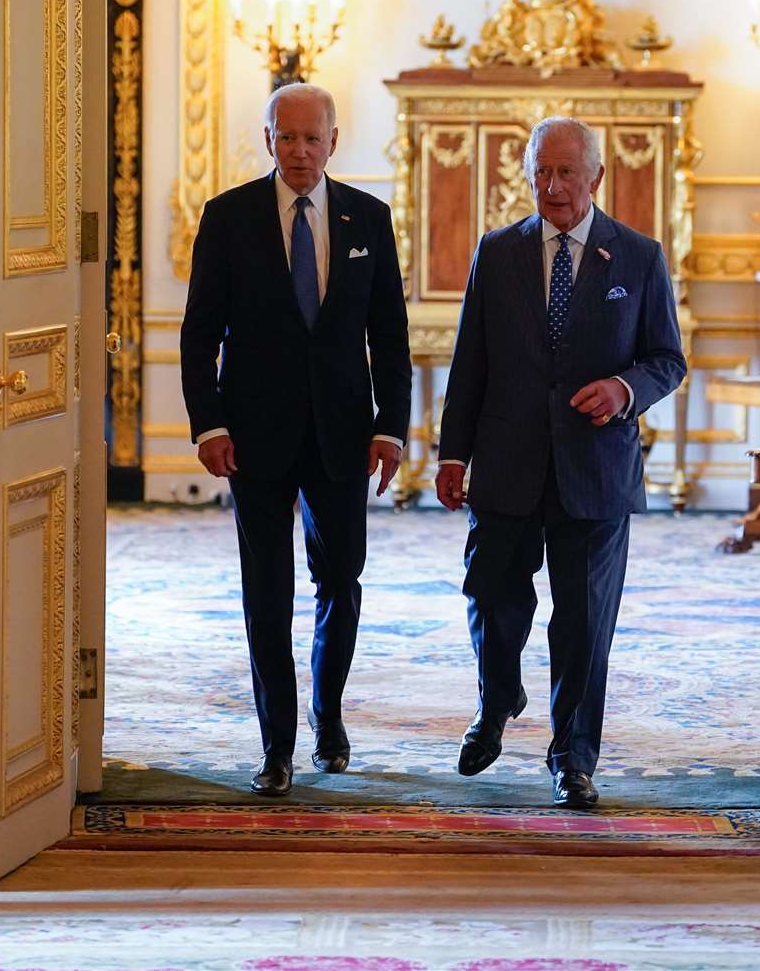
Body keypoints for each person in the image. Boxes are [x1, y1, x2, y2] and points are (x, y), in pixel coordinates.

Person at [435, 116, 686, 808]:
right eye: (541, 172)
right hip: (506, 463)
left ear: (596, 177)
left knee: (582, 622)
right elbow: (470, 365)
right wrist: (452, 454)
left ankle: (572, 757)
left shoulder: (637, 257)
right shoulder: (498, 252)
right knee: (490, 598)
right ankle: (497, 700)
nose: (552, 186)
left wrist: (625, 390)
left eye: (566, 172)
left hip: (595, 470)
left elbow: (668, 359)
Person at [180, 83, 410, 796]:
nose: (300, 151)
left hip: (343, 433)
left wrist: (390, 429)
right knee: (267, 592)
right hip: (253, 436)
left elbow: (390, 338)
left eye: (313, 138)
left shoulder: (368, 216)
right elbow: (198, 335)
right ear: (268, 137)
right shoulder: (228, 217)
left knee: (340, 579)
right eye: (287, 138)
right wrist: (209, 424)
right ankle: (276, 744)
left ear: (334, 142)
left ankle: (329, 715)